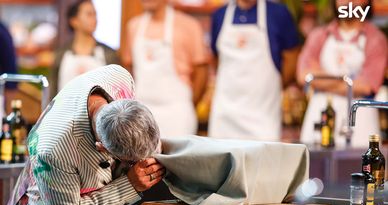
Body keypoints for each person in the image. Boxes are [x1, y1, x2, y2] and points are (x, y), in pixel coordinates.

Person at [4, 65, 165, 205]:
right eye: (131, 161)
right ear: (101, 148)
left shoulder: (119, 78)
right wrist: (129, 185)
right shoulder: (54, 150)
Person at [298, 0, 387, 147]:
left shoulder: (376, 39)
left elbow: (366, 85)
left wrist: (320, 79)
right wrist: (349, 82)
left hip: (360, 126)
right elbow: (304, 76)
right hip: (319, 124)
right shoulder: (319, 35)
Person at [208, 0, 300, 141]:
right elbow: (216, 60)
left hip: (263, 119)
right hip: (224, 118)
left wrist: (268, 86)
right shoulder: (219, 15)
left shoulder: (279, 14)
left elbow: (292, 61)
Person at [122, 0, 208, 138]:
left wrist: (189, 104)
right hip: (141, 111)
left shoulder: (189, 25)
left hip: (177, 113)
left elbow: (202, 71)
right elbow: (128, 66)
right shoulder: (133, 26)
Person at [49, 0, 119, 99]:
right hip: (65, 113)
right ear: (74, 21)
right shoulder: (62, 54)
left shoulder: (108, 54)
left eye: (95, 14)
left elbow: (116, 92)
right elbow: (53, 91)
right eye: (89, 14)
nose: (94, 19)